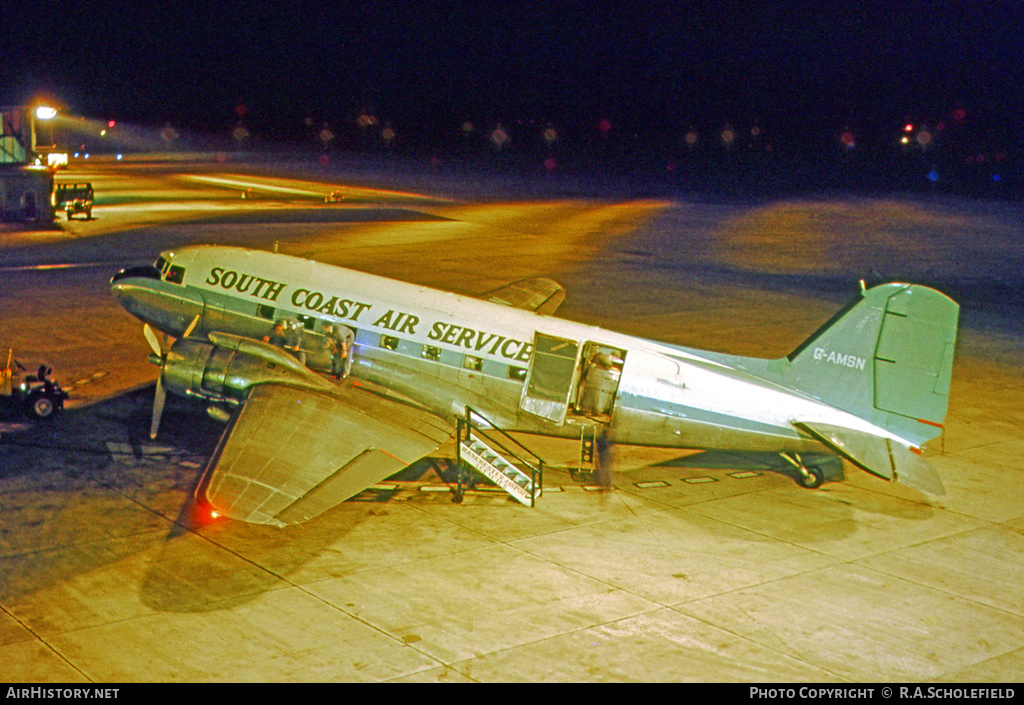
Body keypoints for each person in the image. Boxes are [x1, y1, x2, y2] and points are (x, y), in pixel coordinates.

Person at [594, 426, 614, 490]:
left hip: (601, 455)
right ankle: (607, 484)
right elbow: (611, 447)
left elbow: (596, 446)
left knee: (602, 469)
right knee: (607, 470)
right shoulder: (607, 439)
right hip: (605, 455)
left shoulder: (600, 439)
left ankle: (603, 484)